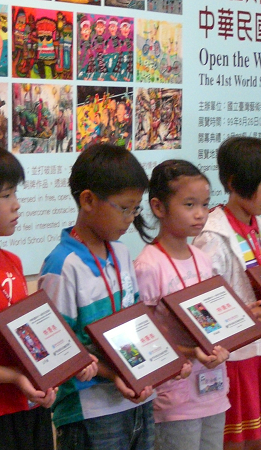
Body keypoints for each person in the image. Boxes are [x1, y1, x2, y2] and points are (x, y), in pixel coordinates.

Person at [38, 143, 156, 450]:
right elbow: (59, 351)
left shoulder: (122, 253)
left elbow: (137, 322)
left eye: (136, 208)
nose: (130, 217)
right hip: (90, 412)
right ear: (88, 200)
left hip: (138, 401)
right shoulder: (62, 265)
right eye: (124, 208)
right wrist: (114, 374)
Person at [193, 136, 261, 450]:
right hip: (236, 354)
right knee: (234, 439)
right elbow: (203, 304)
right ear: (234, 182)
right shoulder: (212, 234)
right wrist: (246, 315)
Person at [134, 160, 230, 450]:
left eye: (204, 204)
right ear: (159, 207)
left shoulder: (202, 258)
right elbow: (144, 337)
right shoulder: (149, 265)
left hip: (213, 388)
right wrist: (190, 352)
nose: (200, 214)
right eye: (189, 205)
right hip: (173, 396)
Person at [0, 149, 57, 450]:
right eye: (6, 195)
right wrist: (16, 377)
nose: (16, 204)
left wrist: (50, 372)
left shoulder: (12, 262)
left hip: (29, 407)